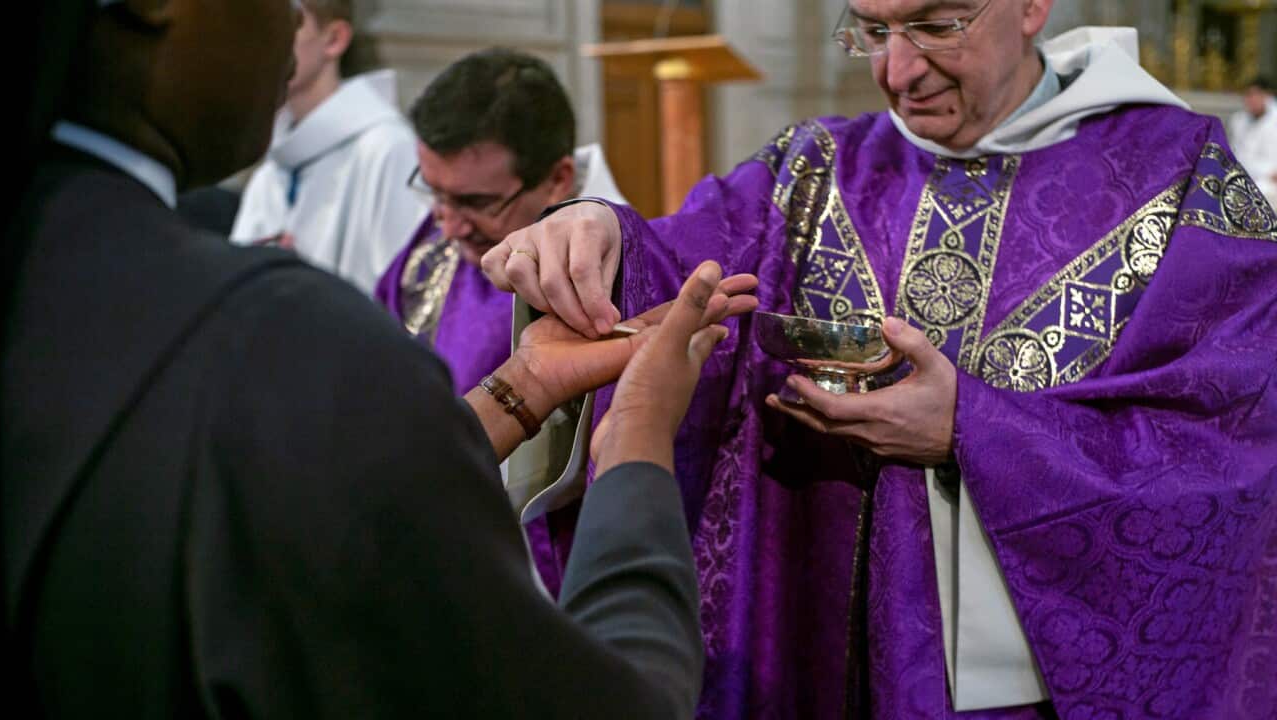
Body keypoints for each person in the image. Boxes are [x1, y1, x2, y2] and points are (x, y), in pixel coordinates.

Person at [484, 1, 1277, 717]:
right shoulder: (814, 165)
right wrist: (595, 231)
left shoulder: (1181, 177)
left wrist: (976, 429)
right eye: (872, 30)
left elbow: (1239, 441)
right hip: (810, 660)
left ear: (1033, 7)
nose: (898, 72)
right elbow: (678, 260)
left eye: (936, 25)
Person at [2, 0, 762, 716]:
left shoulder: (62, 279)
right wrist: (635, 431)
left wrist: (521, 385)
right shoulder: (270, 337)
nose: (295, 26)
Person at [376, 47, 627, 395]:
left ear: (557, 180)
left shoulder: (614, 282)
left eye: (477, 203)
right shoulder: (436, 240)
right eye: (436, 194)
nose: (449, 229)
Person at [230, 0, 425, 294]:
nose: (264, 38)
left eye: (291, 21)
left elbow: (410, 296)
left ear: (334, 39)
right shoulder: (272, 168)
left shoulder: (388, 150)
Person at [1229, 76, 1277, 209]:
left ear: (1266, 96)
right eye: (1248, 96)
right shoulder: (1238, 120)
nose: (1251, 101)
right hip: (1244, 178)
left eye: (1255, 96)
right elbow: (1236, 154)